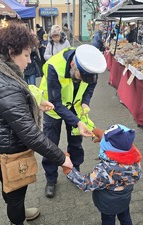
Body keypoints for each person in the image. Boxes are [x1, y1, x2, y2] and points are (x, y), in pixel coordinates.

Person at [0, 23, 73, 225]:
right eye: (27, 55)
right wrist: (61, 158)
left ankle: (17, 210)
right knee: (15, 192)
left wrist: (36, 103)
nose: (30, 61)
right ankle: (17, 218)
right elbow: (30, 134)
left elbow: (15, 102)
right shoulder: (5, 86)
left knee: (9, 186)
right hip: (3, 152)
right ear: (12, 52)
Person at [39, 44, 107, 198]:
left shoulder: (90, 68)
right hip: (51, 109)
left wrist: (85, 102)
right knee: (50, 145)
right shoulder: (53, 67)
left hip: (75, 108)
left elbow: (90, 87)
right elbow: (56, 103)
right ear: (72, 65)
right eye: (80, 77)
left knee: (76, 143)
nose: (83, 80)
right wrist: (77, 122)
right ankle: (51, 179)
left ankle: (74, 170)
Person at [66, 124, 142, 225]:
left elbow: (85, 183)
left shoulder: (104, 170)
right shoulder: (135, 160)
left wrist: (69, 170)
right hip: (124, 200)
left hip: (108, 205)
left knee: (108, 221)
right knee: (125, 217)